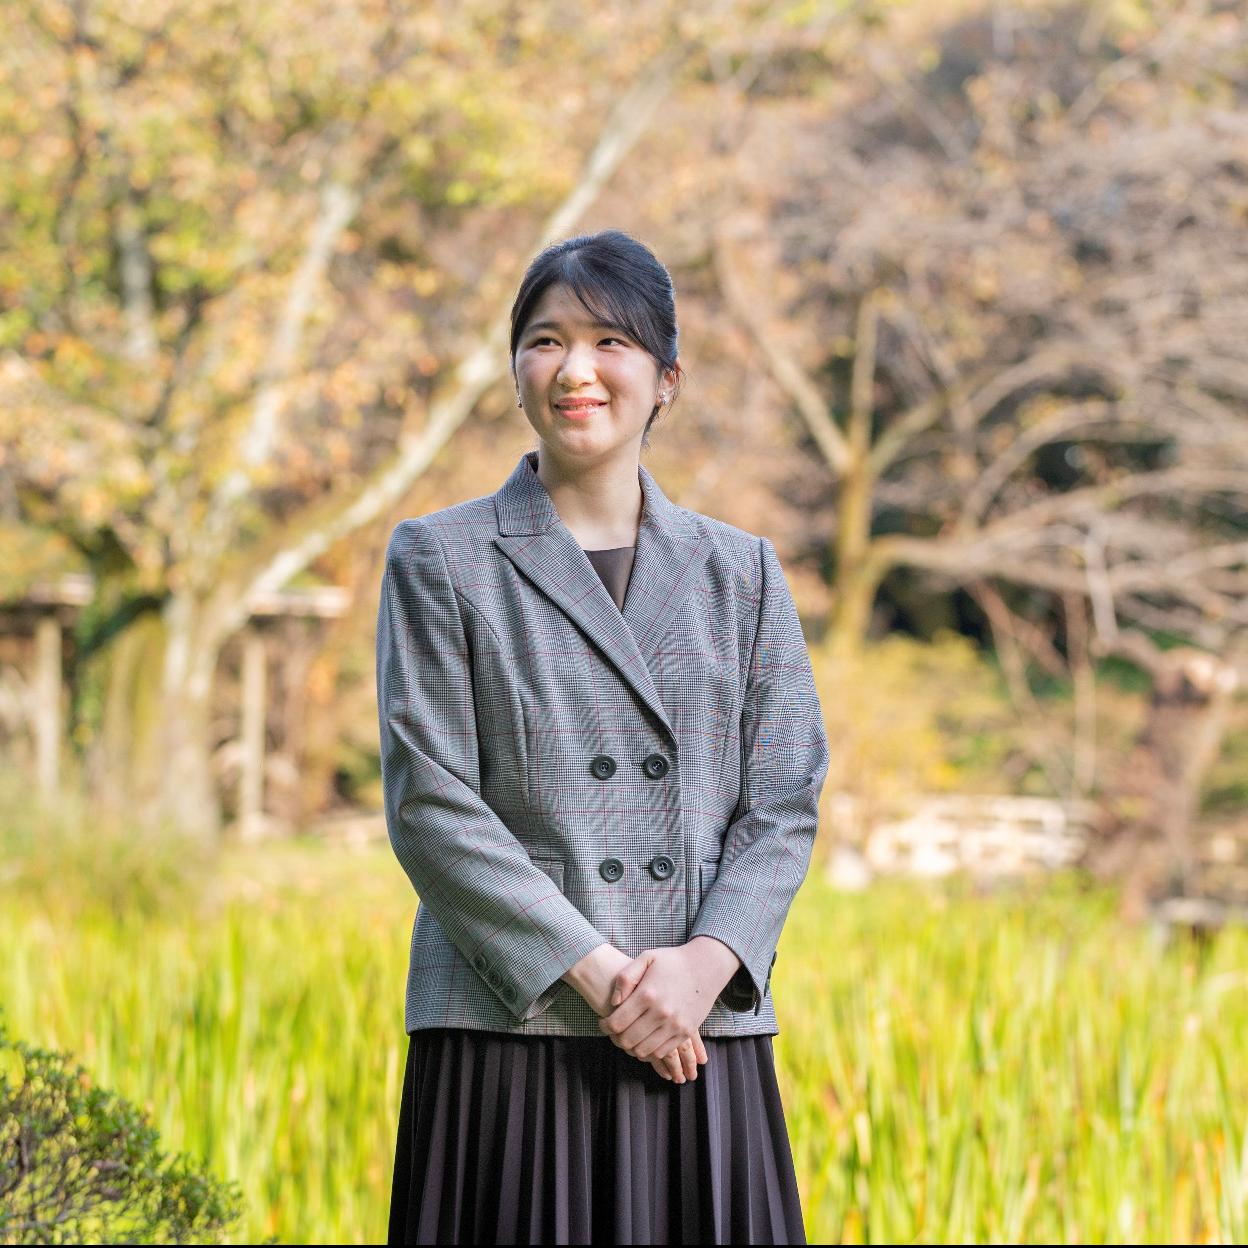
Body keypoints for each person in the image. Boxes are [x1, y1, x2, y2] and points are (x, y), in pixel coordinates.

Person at [378, 228, 830, 1245]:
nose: (574, 368)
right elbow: (431, 804)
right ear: (516, 372)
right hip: (515, 1023)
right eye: (545, 340)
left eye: (609, 341)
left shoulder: (743, 573)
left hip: (698, 1033)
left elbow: (784, 799)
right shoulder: (440, 559)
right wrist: (603, 976)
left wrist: (705, 965)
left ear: (666, 377)